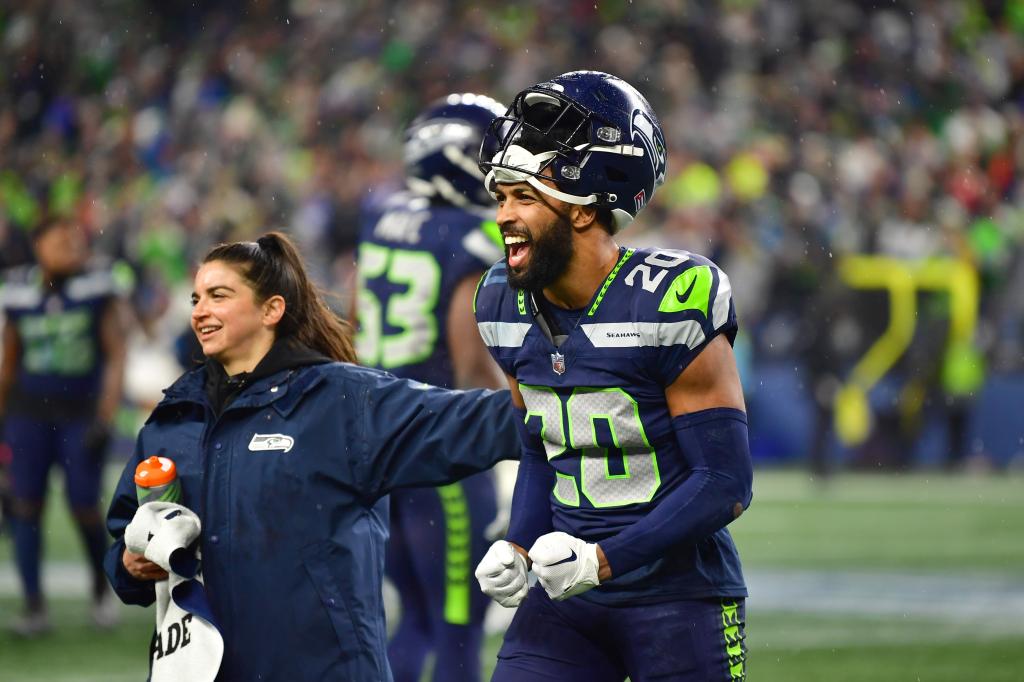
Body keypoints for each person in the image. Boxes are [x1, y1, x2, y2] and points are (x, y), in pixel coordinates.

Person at [104, 231, 520, 682]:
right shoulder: (174, 419)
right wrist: (129, 565)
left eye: (219, 296)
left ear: (271, 309)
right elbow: (125, 539)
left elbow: (474, 422)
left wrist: (564, 389)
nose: (200, 311)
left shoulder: (341, 400)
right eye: (196, 297)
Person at [472, 71, 754, 681]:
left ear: (582, 208)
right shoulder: (500, 302)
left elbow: (725, 481)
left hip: (679, 597)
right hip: (566, 597)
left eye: (523, 197)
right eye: (501, 198)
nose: (504, 217)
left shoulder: (671, 298)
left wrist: (602, 559)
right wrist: (520, 542)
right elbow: (540, 447)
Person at [354, 93, 508, 682]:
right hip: (444, 437)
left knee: (414, 614)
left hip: (381, 431)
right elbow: (469, 363)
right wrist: (522, 413)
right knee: (460, 623)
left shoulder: (382, 215)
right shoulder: (471, 235)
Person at [0, 215, 128, 635]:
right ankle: (35, 606)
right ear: (38, 246)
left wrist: (106, 416)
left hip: (80, 413)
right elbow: (9, 360)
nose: (71, 248)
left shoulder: (96, 287)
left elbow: (115, 354)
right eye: (61, 242)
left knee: (85, 506)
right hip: (28, 414)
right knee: (25, 507)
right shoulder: (19, 290)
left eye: (75, 241)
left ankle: (98, 589)